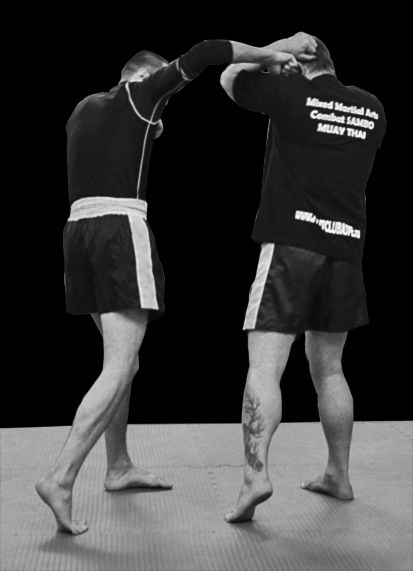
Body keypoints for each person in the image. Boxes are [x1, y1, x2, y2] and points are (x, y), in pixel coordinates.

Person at [35, 38, 298, 536]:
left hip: (76, 233)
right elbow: (206, 52)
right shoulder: (139, 94)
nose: (162, 114)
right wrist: (271, 53)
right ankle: (61, 477)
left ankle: (118, 466)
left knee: (124, 363)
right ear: (142, 77)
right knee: (119, 366)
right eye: (162, 97)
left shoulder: (81, 109)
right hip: (118, 231)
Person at [220, 32, 386, 523]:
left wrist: (275, 51)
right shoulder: (372, 108)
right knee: (330, 368)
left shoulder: (291, 94)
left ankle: (255, 478)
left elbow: (229, 77)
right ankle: (338, 475)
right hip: (345, 249)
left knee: (264, 368)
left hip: (291, 246)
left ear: (301, 62)